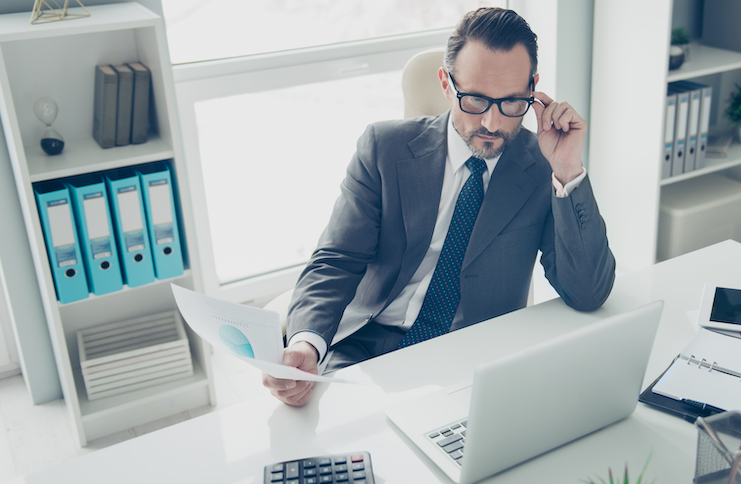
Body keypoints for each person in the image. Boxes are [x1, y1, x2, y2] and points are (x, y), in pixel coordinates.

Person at [264, 7, 615, 406]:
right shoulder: (384, 148)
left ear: (533, 89)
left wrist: (568, 171)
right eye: (476, 100)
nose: (493, 123)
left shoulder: (543, 166)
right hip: (364, 348)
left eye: (512, 102)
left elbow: (587, 293)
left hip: (472, 363)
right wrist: (307, 346)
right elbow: (337, 259)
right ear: (447, 85)